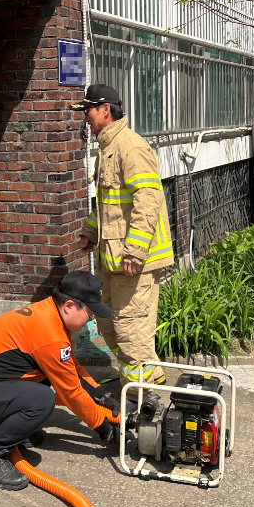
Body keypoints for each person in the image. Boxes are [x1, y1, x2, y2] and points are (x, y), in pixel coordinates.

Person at [0, 271, 121, 491]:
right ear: (69, 306)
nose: (90, 320)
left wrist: (101, 395)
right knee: (42, 398)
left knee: (43, 380)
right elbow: (72, 393)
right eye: (90, 314)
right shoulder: (50, 335)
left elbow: (71, 368)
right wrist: (103, 428)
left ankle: (12, 433)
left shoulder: (47, 312)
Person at [72, 84, 174, 397]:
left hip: (133, 262)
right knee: (108, 322)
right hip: (112, 258)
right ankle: (143, 380)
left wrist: (135, 249)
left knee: (131, 330)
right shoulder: (108, 148)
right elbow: (108, 205)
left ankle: (140, 397)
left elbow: (148, 199)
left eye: (88, 111)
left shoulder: (130, 147)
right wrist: (91, 232)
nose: (85, 118)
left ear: (105, 110)